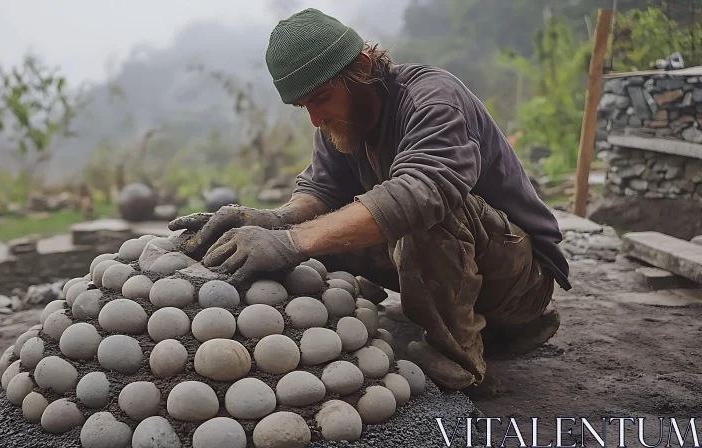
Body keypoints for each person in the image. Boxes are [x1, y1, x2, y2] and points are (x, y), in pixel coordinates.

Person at [168, 8, 571, 398]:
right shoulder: (341, 120)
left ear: (361, 66)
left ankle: (465, 364)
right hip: (450, 265)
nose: (314, 118)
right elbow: (322, 193)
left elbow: (422, 191)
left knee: (425, 211)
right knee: (314, 234)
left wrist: (292, 241)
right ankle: (416, 316)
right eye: (304, 106)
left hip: (519, 280)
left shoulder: (433, 99)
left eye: (321, 98)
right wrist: (273, 221)